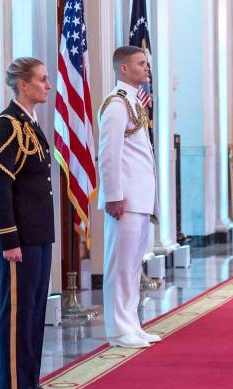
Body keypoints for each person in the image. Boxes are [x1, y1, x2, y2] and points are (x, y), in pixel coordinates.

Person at [0, 57, 61, 389]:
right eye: (43, 80)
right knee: (17, 312)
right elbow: (0, 187)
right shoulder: (6, 125)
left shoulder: (29, 123)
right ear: (23, 85)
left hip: (37, 235)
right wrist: (9, 239)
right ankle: (15, 387)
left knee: (33, 309)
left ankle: (29, 381)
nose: (48, 85)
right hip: (18, 238)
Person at [98, 46, 160, 349]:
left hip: (139, 198)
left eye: (146, 63)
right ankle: (118, 329)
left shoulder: (133, 102)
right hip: (125, 200)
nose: (146, 67)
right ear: (124, 68)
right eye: (140, 63)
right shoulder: (116, 105)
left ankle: (132, 324)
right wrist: (113, 196)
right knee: (120, 266)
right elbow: (109, 155)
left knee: (133, 266)